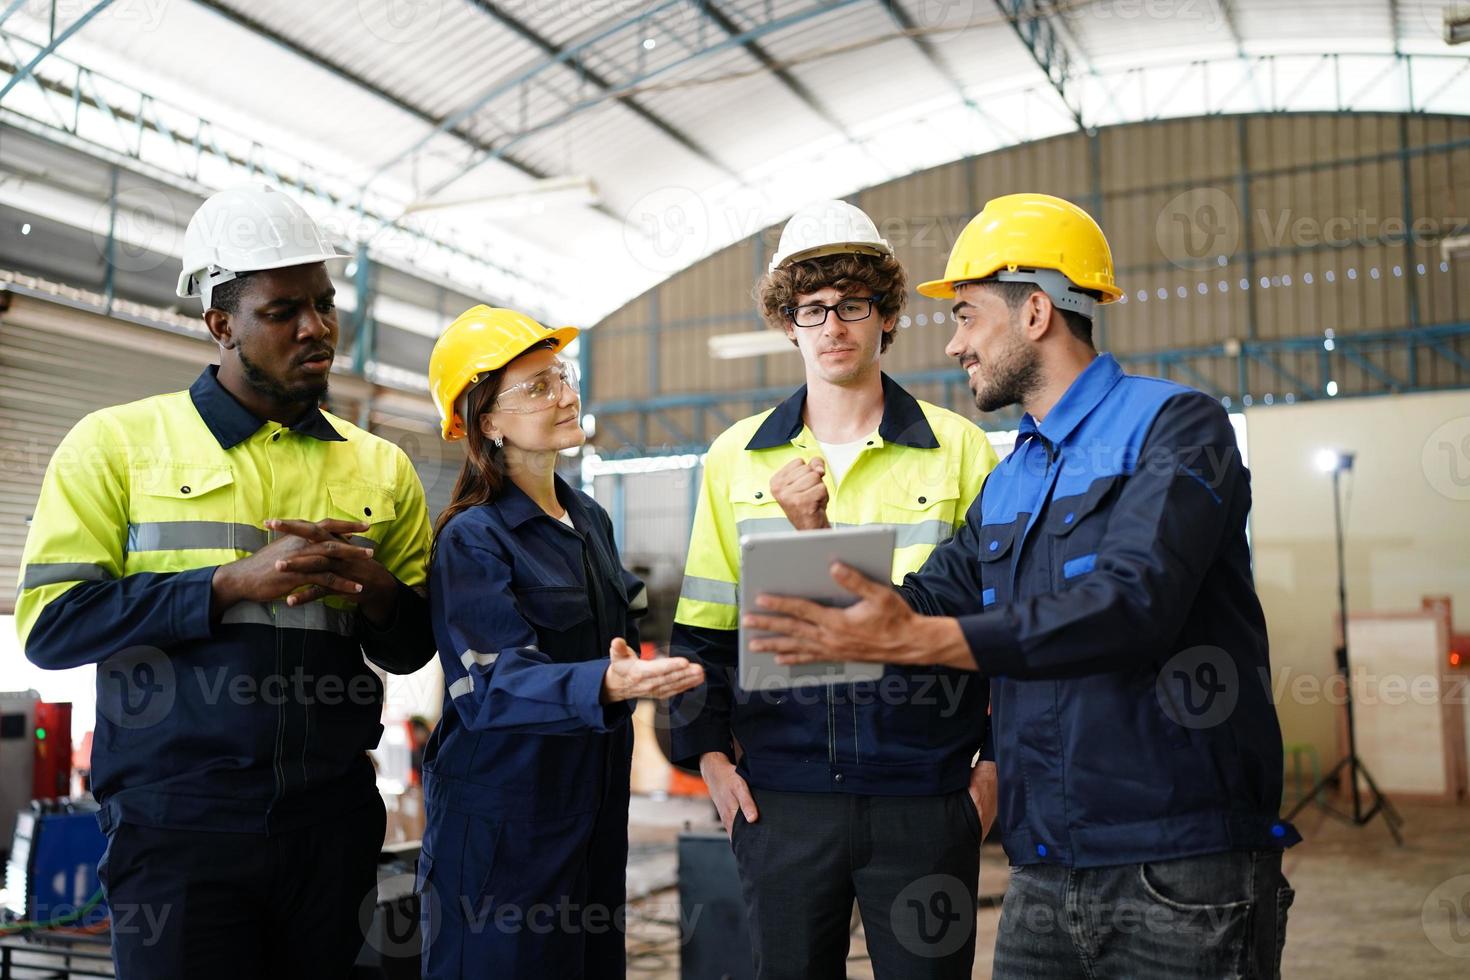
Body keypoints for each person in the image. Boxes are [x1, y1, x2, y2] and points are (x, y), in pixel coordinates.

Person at [745, 192, 1299, 979]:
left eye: (967, 315)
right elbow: (927, 601)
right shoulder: (1012, 479)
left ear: (1035, 311)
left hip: (1179, 866)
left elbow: (1133, 604)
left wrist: (916, 637)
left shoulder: (1177, 426)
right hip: (1042, 869)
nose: (954, 344)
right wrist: (818, 542)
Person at [15, 185, 436, 978]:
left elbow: (413, 649)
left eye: (323, 304)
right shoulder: (115, 445)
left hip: (332, 829)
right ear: (221, 324)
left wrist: (375, 591)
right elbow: (52, 626)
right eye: (283, 311)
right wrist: (229, 584)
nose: (316, 328)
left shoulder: (379, 465)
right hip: (176, 835)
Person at [668, 200, 1001, 979]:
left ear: (886, 315)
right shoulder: (734, 459)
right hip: (783, 805)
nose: (832, 327)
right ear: (788, 323)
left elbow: (1000, 628)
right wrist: (711, 761)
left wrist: (991, 777)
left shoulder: (961, 451)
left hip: (925, 797)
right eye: (811, 309)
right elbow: (705, 631)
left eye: (852, 305)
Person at [418, 305, 704, 979]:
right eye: (538, 386)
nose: (566, 394)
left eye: (563, 376)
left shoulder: (588, 519)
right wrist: (602, 685)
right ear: (487, 420)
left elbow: (618, 644)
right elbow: (488, 685)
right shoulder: (473, 537)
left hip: (592, 818)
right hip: (503, 833)